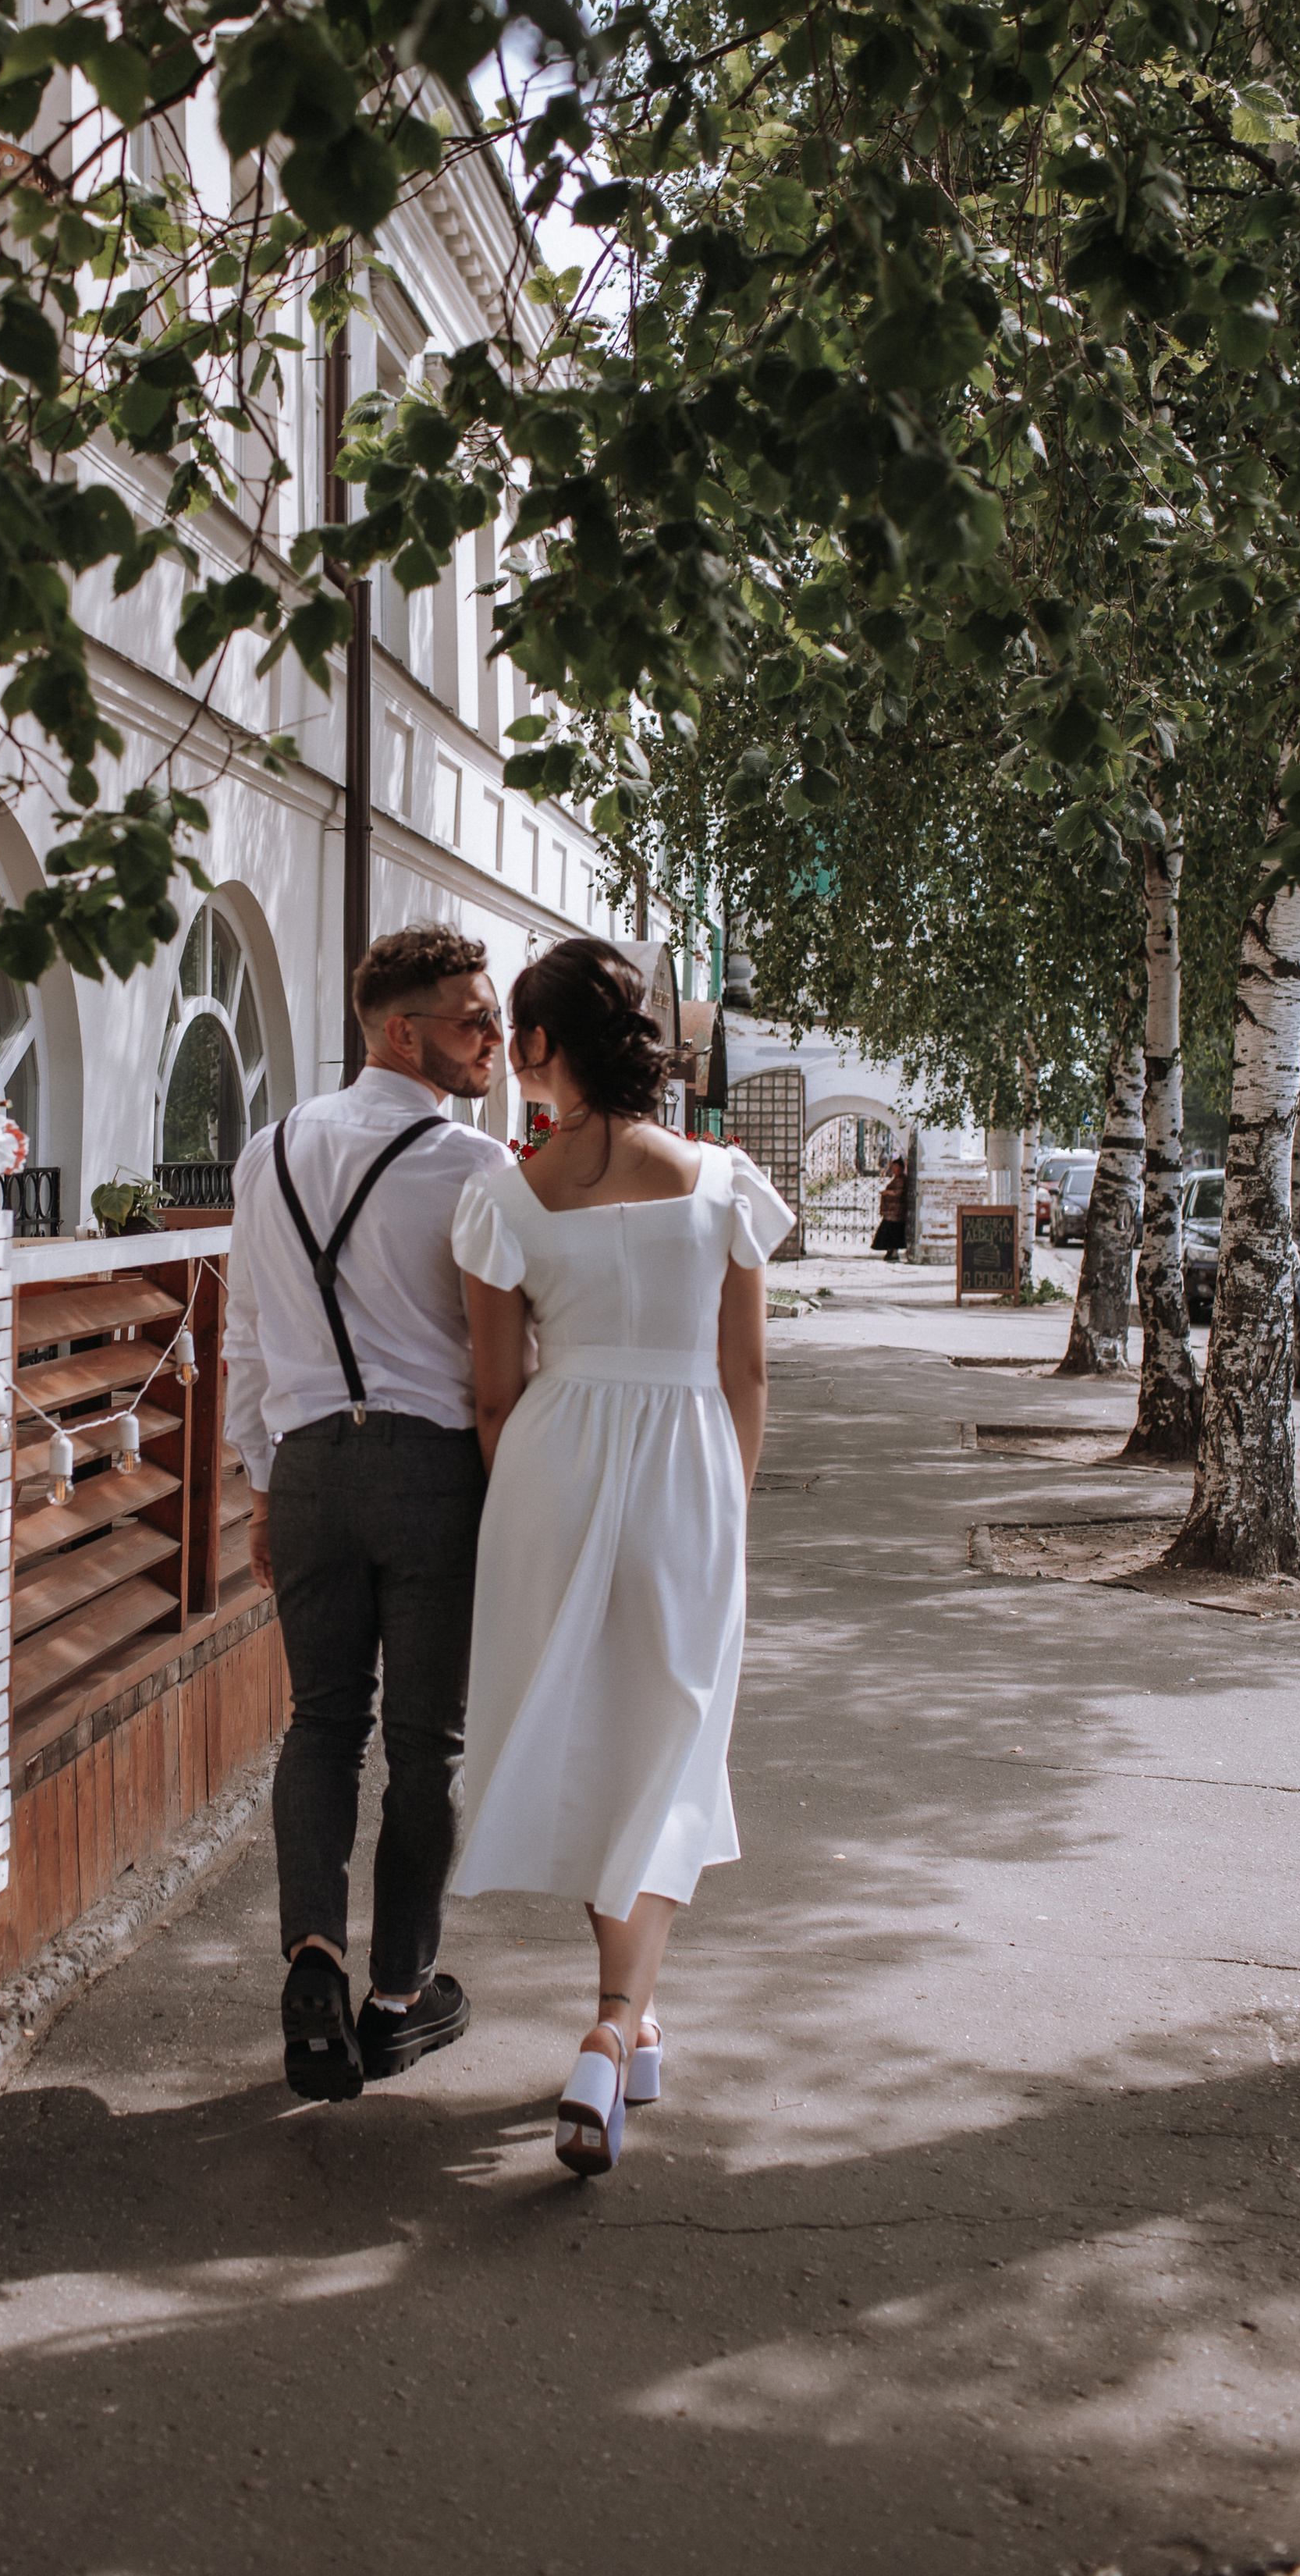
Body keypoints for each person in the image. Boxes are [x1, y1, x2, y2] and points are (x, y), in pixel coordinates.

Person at [449, 937, 793, 2176]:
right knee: (670, 1736)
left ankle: (625, 2017)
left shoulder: (504, 1197)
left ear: (540, 1048)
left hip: (550, 1465)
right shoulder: (721, 1184)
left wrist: (538, 1503)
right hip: (688, 1465)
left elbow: (495, 1394)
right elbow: (745, 1372)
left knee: (595, 1736)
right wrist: (723, 1507)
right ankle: (617, 2026)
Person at [224, 923, 511, 2101]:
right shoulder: (472, 1167)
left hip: (306, 1470)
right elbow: (505, 1351)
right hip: (428, 1470)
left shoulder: (268, 1150)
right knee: (424, 1742)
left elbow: (243, 1332)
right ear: (406, 1031)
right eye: (473, 1020)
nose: (493, 1040)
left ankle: (311, 1955)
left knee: (321, 1725)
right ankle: (398, 1996)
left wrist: (258, 1481)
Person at [872, 1152, 909, 1260]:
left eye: (895, 1167)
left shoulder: (901, 1179)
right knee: (889, 1232)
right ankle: (890, 1251)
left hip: (896, 1213)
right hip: (892, 1212)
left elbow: (899, 1192)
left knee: (892, 1232)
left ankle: (893, 1252)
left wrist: (887, 1193)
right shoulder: (897, 1178)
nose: (893, 1169)